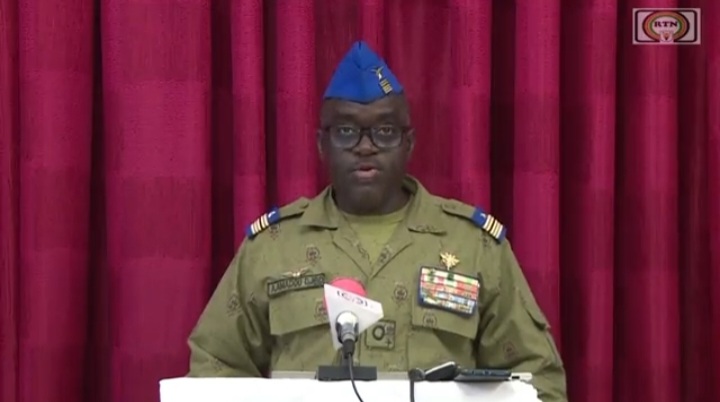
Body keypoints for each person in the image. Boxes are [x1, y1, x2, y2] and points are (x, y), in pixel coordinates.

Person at [186, 40, 567, 402]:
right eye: (346, 131)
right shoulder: (272, 247)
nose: (365, 146)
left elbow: (537, 381)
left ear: (408, 143)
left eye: (385, 132)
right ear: (321, 144)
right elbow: (215, 368)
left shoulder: (473, 246)